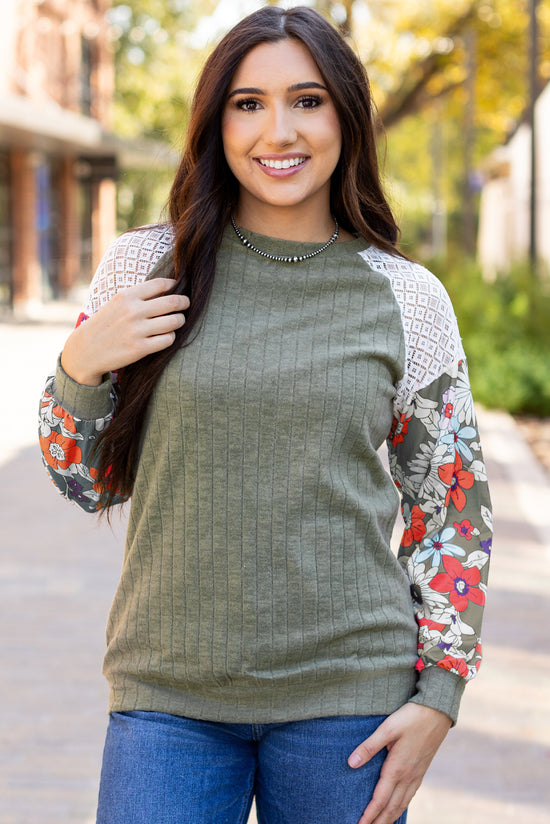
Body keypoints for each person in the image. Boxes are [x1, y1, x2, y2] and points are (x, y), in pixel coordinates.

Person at [38, 6, 492, 824]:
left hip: (349, 708)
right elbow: (86, 481)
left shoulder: (407, 298)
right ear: (216, 122)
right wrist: (80, 366)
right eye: (248, 103)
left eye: (306, 100)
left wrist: (440, 696)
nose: (277, 130)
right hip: (166, 699)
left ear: (346, 116)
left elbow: (452, 508)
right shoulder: (146, 267)